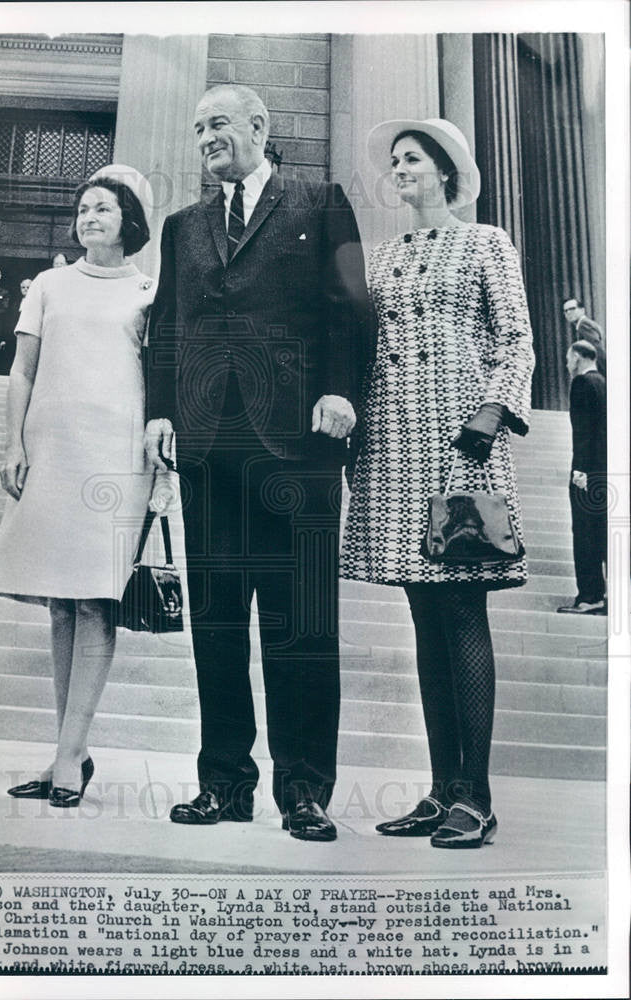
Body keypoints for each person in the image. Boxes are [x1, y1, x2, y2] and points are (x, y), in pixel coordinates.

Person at [144, 84, 373, 842]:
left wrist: (341, 390)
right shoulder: (183, 226)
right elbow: (166, 328)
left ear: (257, 127)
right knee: (215, 622)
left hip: (298, 444)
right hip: (209, 446)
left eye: (218, 123)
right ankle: (223, 784)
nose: (207, 136)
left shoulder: (320, 202)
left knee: (300, 623)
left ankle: (303, 791)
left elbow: (350, 306)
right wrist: (158, 411)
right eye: (198, 125)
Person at [342, 118, 535, 849]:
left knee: (460, 610)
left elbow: (515, 338)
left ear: (447, 172)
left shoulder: (486, 242)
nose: (400, 170)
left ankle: (475, 797)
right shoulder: (381, 257)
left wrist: (490, 413)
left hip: (462, 444)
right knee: (423, 617)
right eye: (393, 161)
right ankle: (438, 789)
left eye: (412, 158)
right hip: (394, 444)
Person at [0, 165, 155, 808]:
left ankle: (65, 756)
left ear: (129, 220)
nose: (89, 217)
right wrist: (14, 442)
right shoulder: (50, 285)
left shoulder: (147, 290)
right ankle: (69, 755)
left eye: (103, 208)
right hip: (52, 451)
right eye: (83, 208)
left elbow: (153, 381)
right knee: (60, 601)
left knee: (95, 601)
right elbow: (22, 371)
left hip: (115, 459)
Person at [557, 340, 607, 615]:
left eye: (568, 358)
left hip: (587, 472)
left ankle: (590, 596)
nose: (566, 364)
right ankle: (605, 594)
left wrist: (580, 471)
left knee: (585, 533)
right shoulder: (604, 383)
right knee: (601, 533)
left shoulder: (581, 384)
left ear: (577, 357)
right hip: (605, 471)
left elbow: (583, 432)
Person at [563, 297, 605, 375]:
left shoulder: (584, 325)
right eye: (565, 311)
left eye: (572, 309)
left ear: (582, 310)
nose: (568, 312)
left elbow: (596, 350)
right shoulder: (582, 325)